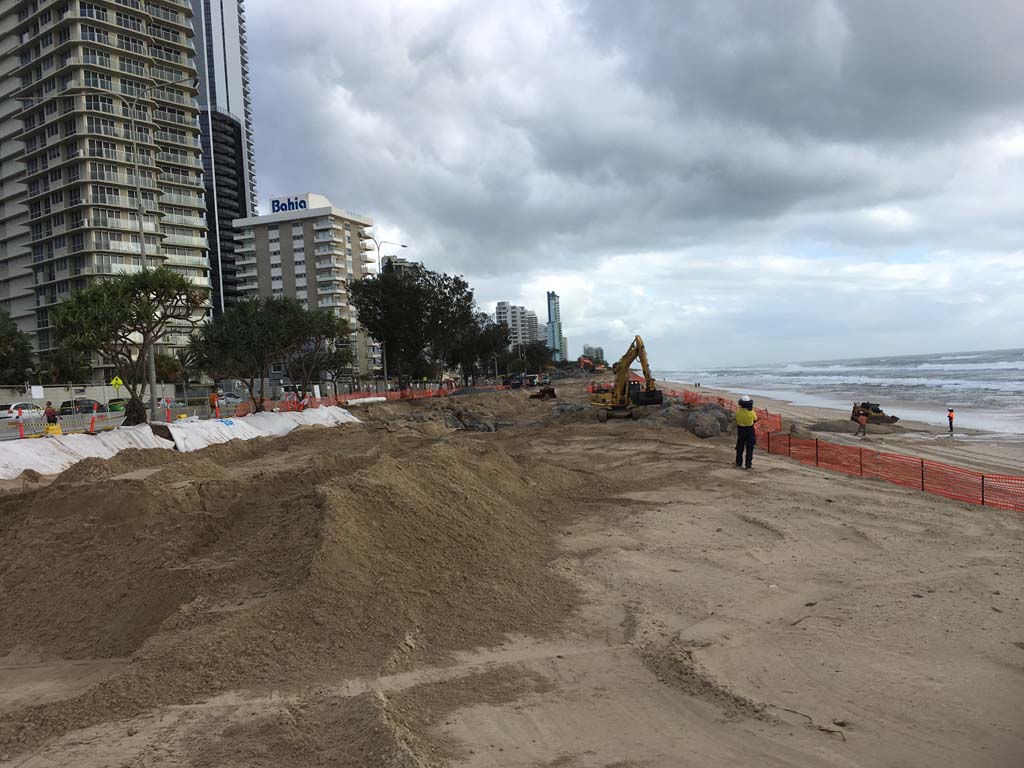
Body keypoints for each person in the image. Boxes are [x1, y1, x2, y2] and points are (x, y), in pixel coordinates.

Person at [735, 395, 758, 469]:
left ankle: (738, 463)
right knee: (749, 449)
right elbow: (755, 419)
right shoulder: (751, 413)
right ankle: (748, 465)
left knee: (739, 447)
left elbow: (737, 419)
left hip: (740, 430)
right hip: (749, 430)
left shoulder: (738, 412)